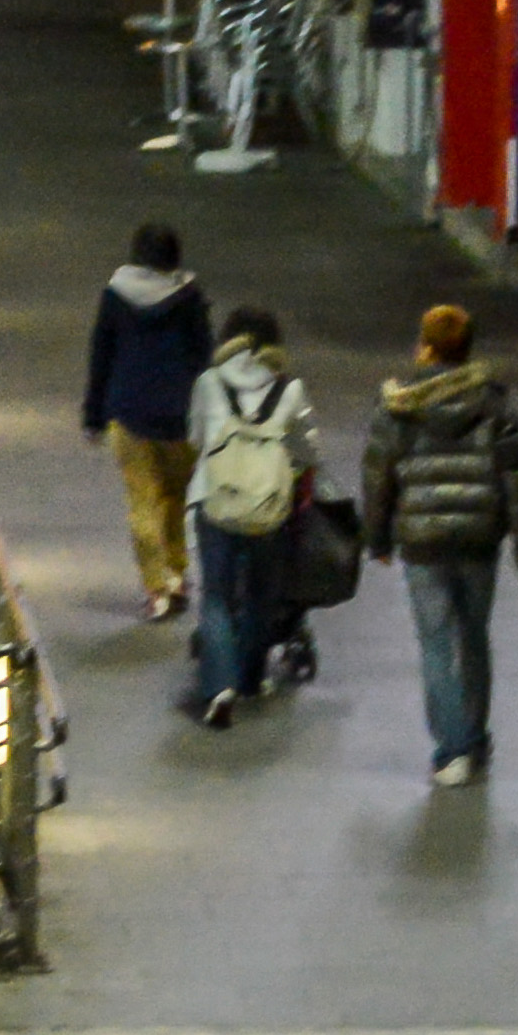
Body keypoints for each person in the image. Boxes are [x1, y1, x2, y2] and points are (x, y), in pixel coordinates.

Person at [369, 296, 518, 790]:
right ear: (467, 351)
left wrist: (377, 536)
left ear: (426, 349)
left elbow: (379, 475)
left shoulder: (400, 408)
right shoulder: (495, 405)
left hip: (422, 540)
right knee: (473, 637)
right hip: (478, 540)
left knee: (434, 643)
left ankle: (451, 750)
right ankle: (473, 738)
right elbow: (515, 479)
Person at [181, 303, 317, 728]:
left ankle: (218, 686)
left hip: (215, 498)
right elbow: (305, 451)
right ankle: (251, 677)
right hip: (268, 506)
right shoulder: (289, 389)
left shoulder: (209, 382)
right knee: (261, 595)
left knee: (217, 595)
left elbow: (195, 436)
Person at [82, 217, 217, 621]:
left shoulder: (115, 295)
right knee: (175, 498)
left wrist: (93, 414)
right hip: (181, 416)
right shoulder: (190, 296)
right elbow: (203, 357)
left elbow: (101, 355)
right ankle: (177, 572)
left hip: (129, 412)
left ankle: (156, 587)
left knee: (143, 501)